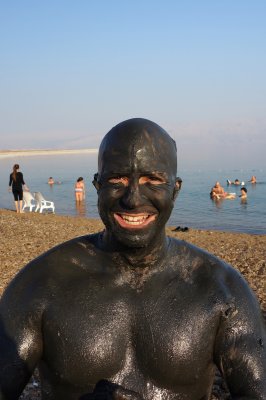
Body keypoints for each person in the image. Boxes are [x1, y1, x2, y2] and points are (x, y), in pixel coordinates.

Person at [0, 118, 265, 399]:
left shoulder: (219, 289)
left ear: (175, 189)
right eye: (118, 180)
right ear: (97, 185)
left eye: (152, 180)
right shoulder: (42, 283)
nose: (133, 199)